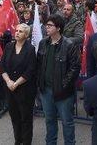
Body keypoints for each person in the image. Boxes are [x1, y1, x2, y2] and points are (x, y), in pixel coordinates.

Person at [36, 14, 81, 145]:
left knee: (67, 122)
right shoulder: (43, 43)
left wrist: (63, 86)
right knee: (49, 120)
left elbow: (74, 68)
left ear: (58, 28)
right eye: (46, 25)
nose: (46, 28)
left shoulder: (69, 44)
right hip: (46, 91)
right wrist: (40, 83)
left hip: (63, 92)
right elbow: (39, 65)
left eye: (50, 26)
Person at [0, 23, 37, 145]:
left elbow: (30, 70)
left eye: (20, 31)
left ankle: (26, 142)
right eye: (16, 30)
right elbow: (2, 66)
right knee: (14, 117)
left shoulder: (30, 49)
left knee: (25, 118)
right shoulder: (9, 46)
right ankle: (18, 140)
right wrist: (8, 81)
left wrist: (16, 83)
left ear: (26, 35)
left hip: (25, 89)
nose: (17, 33)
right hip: (10, 88)